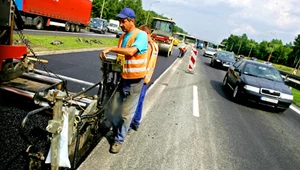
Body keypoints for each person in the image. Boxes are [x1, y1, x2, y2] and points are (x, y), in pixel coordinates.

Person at [99, 8, 148, 153]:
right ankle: (116, 130)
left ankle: (119, 140)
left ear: (132, 21)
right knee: (114, 108)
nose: (120, 24)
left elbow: (132, 51)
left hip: (135, 82)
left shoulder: (141, 35)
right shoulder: (122, 37)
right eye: (120, 21)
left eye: (123, 21)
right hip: (122, 79)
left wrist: (110, 48)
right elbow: (122, 57)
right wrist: (109, 60)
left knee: (126, 113)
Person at [129, 24, 159, 132]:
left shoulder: (146, 46)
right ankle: (136, 122)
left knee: (133, 102)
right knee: (140, 101)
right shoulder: (155, 45)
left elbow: (141, 62)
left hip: (140, 77)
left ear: (146, 34)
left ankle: (128, 126)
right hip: (147, 78)